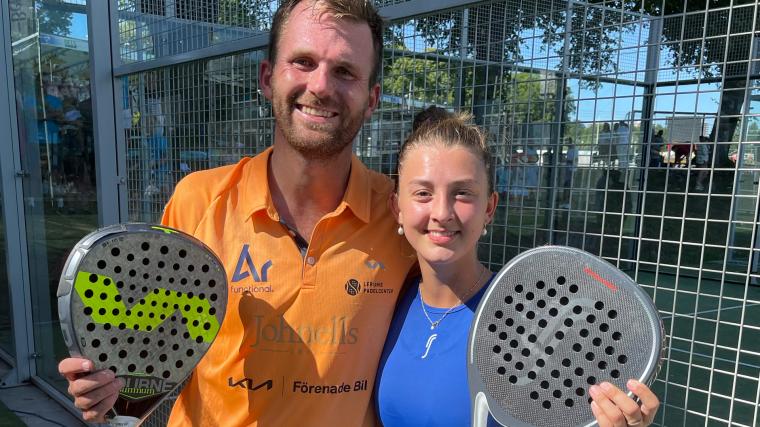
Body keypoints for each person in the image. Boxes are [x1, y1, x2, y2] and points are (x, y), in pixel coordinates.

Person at [58, 1, 418, 425]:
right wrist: (109, 388)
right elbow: (147, 349)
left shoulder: (403, 218)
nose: (320, 86)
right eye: (303, 62)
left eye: (345, 71)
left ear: (372, 98)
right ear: (267, 77)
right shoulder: (197, 200)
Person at [375, 113, 660, 427]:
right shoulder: (385, 303)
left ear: (489, 208)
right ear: (397, 208)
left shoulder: (536, 320)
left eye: (463, 193)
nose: (442, 212)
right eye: (423, 193)